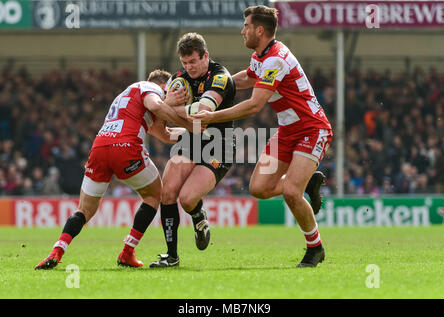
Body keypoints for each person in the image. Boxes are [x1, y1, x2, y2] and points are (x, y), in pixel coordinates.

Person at [192, 5, 332, 267]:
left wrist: (211, 115)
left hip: (312, 128)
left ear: (259, 30)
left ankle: (315, 248)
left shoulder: (275, 59)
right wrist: (216, 89)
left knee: (291, 192)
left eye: (246, 26)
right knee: (258, 188)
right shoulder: (261, 56)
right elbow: (247, 77)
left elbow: (255, 105)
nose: (242, 30)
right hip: (287, 130)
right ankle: (308, 182)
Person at [34, 69, 191, 270]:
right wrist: (180, 113)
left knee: (84, 209)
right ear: (163, 86)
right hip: (126, 148)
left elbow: (166, 134)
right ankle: (127, 252)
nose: (174, 93)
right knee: (154, 195)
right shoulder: (151, 88)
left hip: (100, 147)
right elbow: (155, 104)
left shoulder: (129, 95)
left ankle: (56, 251)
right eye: (170, 89)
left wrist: (194, 131)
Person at [149, 33, 237, 268]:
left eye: (193, 62)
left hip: (219, 145)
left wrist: (168, 107)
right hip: (191, 140)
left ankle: (198, 216)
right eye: (185, 63)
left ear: (205, 56)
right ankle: (171, 256)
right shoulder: (179, 78)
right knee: (167, 193)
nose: (189, 68)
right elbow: (161, 113)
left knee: (187, 199)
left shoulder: (220, 77)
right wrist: (167, 106)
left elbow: (203, 113)